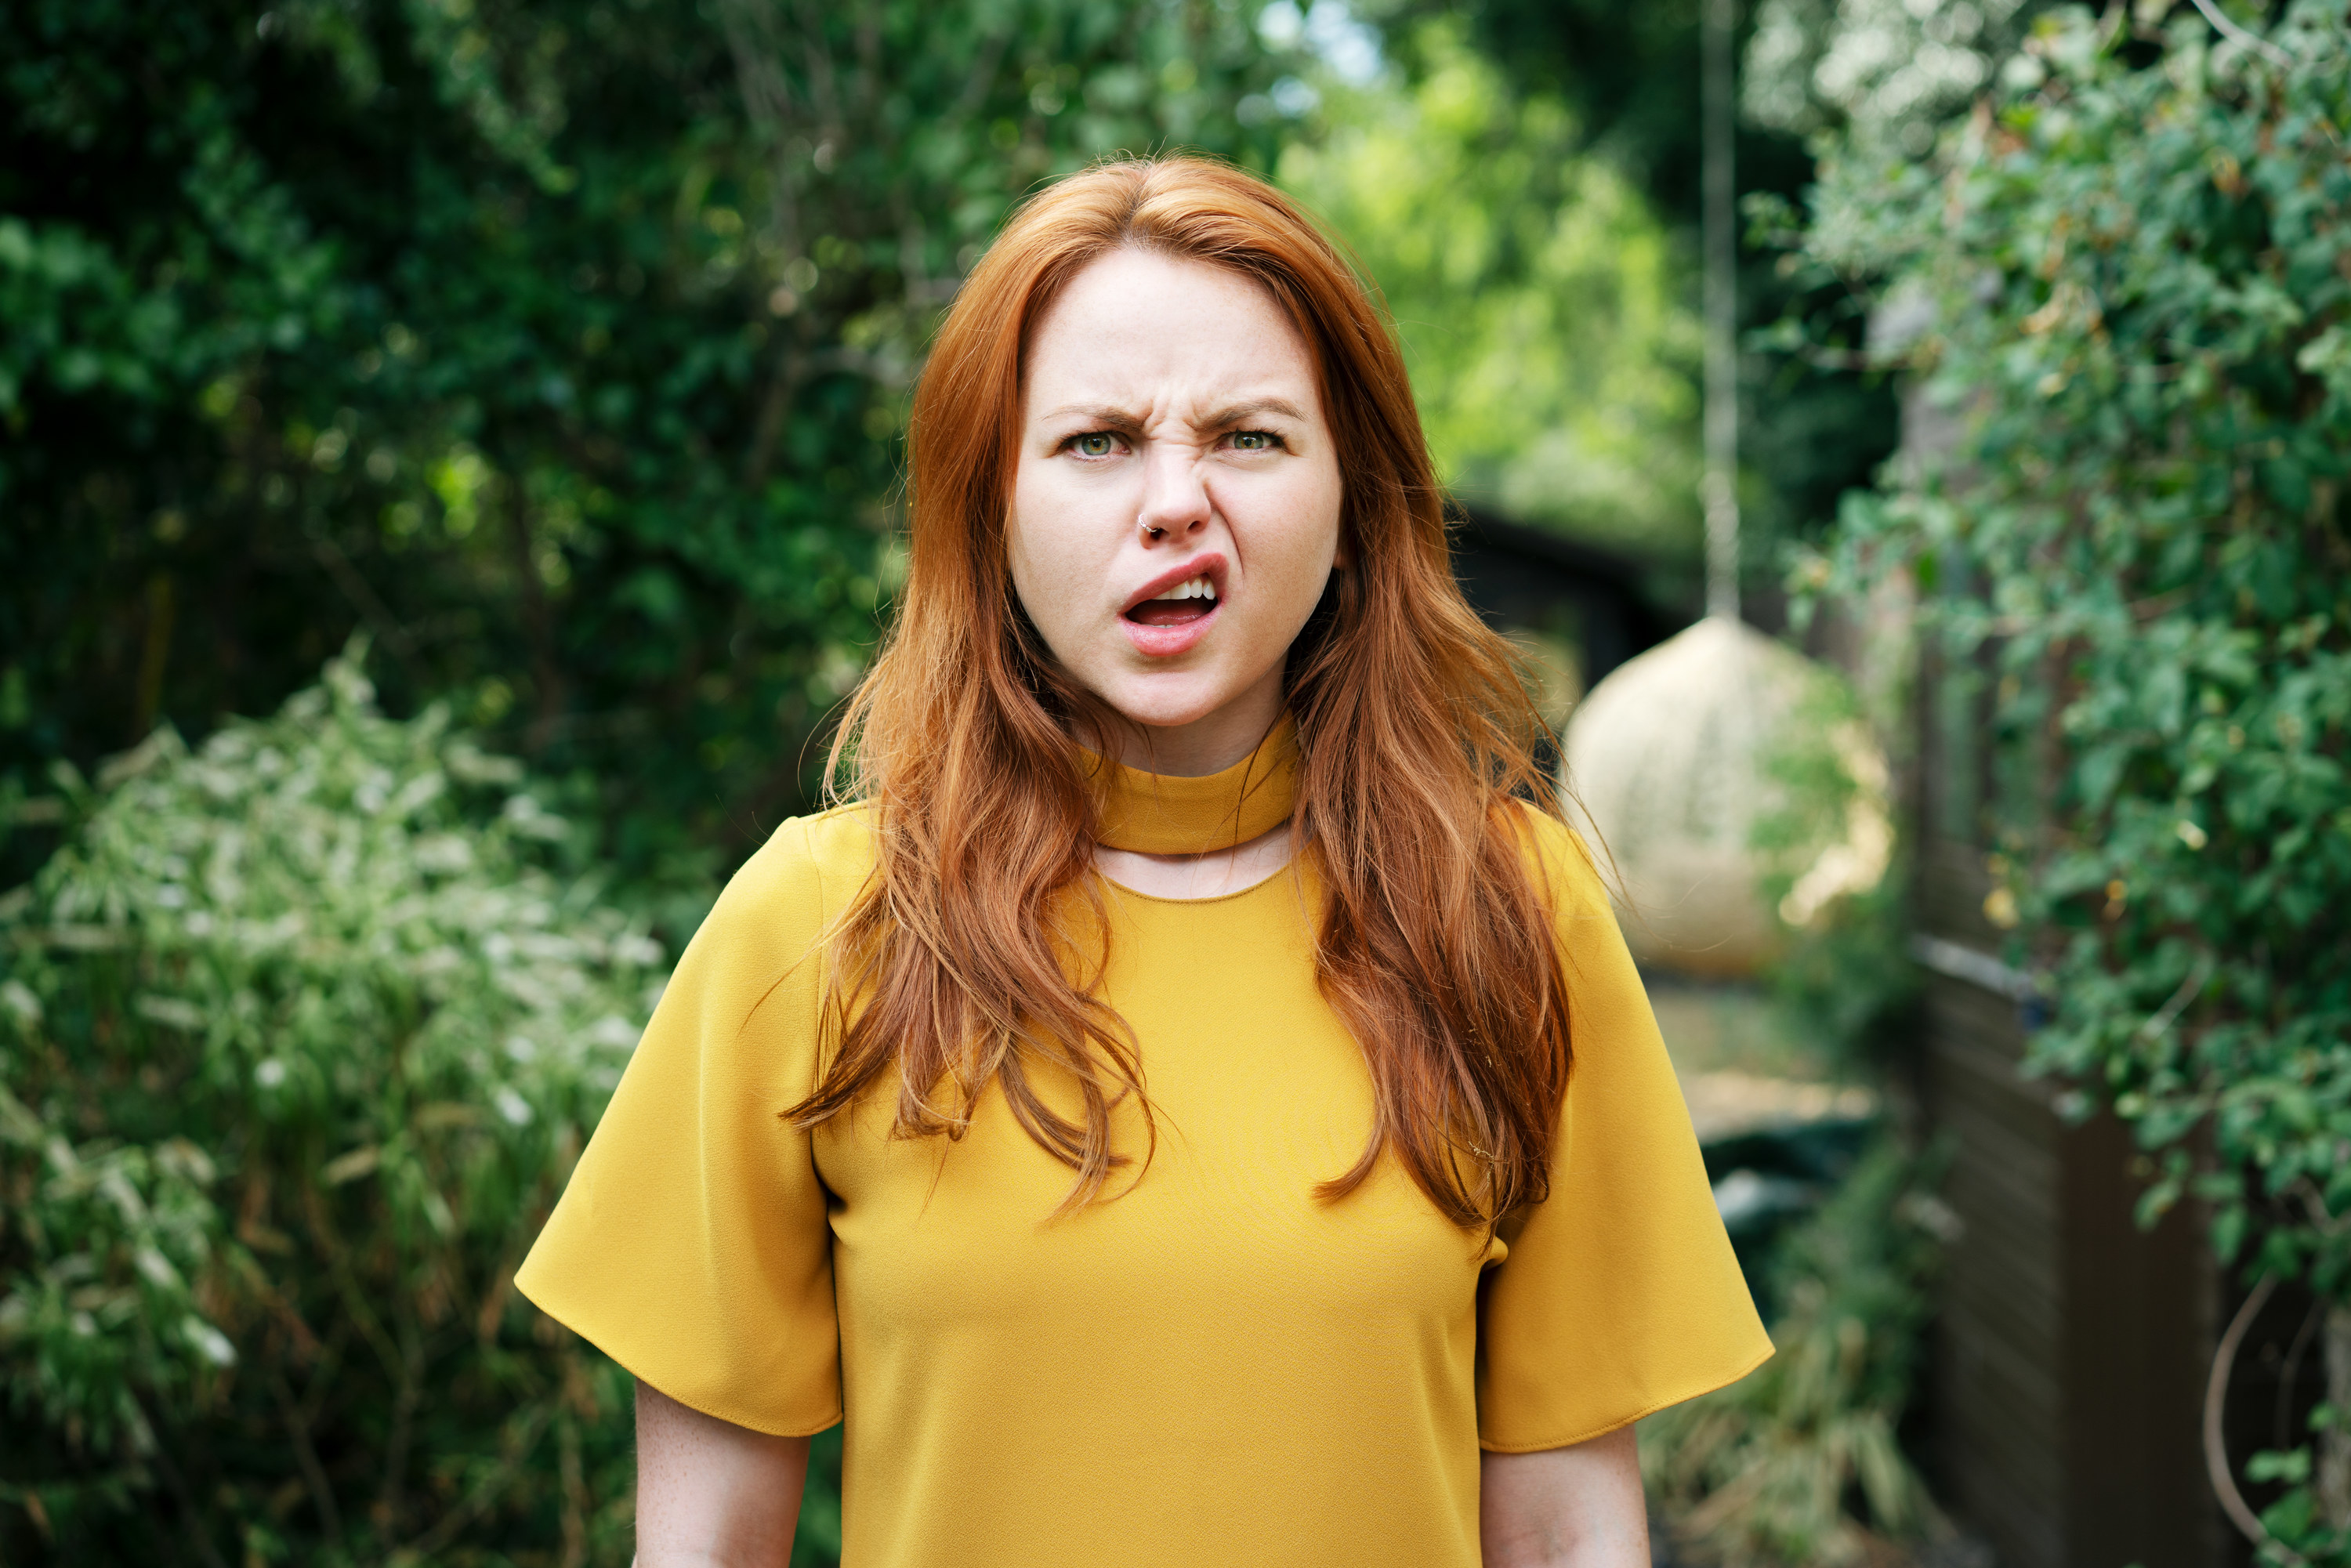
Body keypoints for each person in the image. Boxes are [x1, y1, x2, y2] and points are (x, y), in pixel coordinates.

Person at [516, 154, 1769, 1568]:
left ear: (1353, 497)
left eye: (1248, 436)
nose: (1174, 499)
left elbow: (1566, 1533)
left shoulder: (1513, 912)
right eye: (1097, 440)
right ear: (990, 506)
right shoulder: (814, 928)